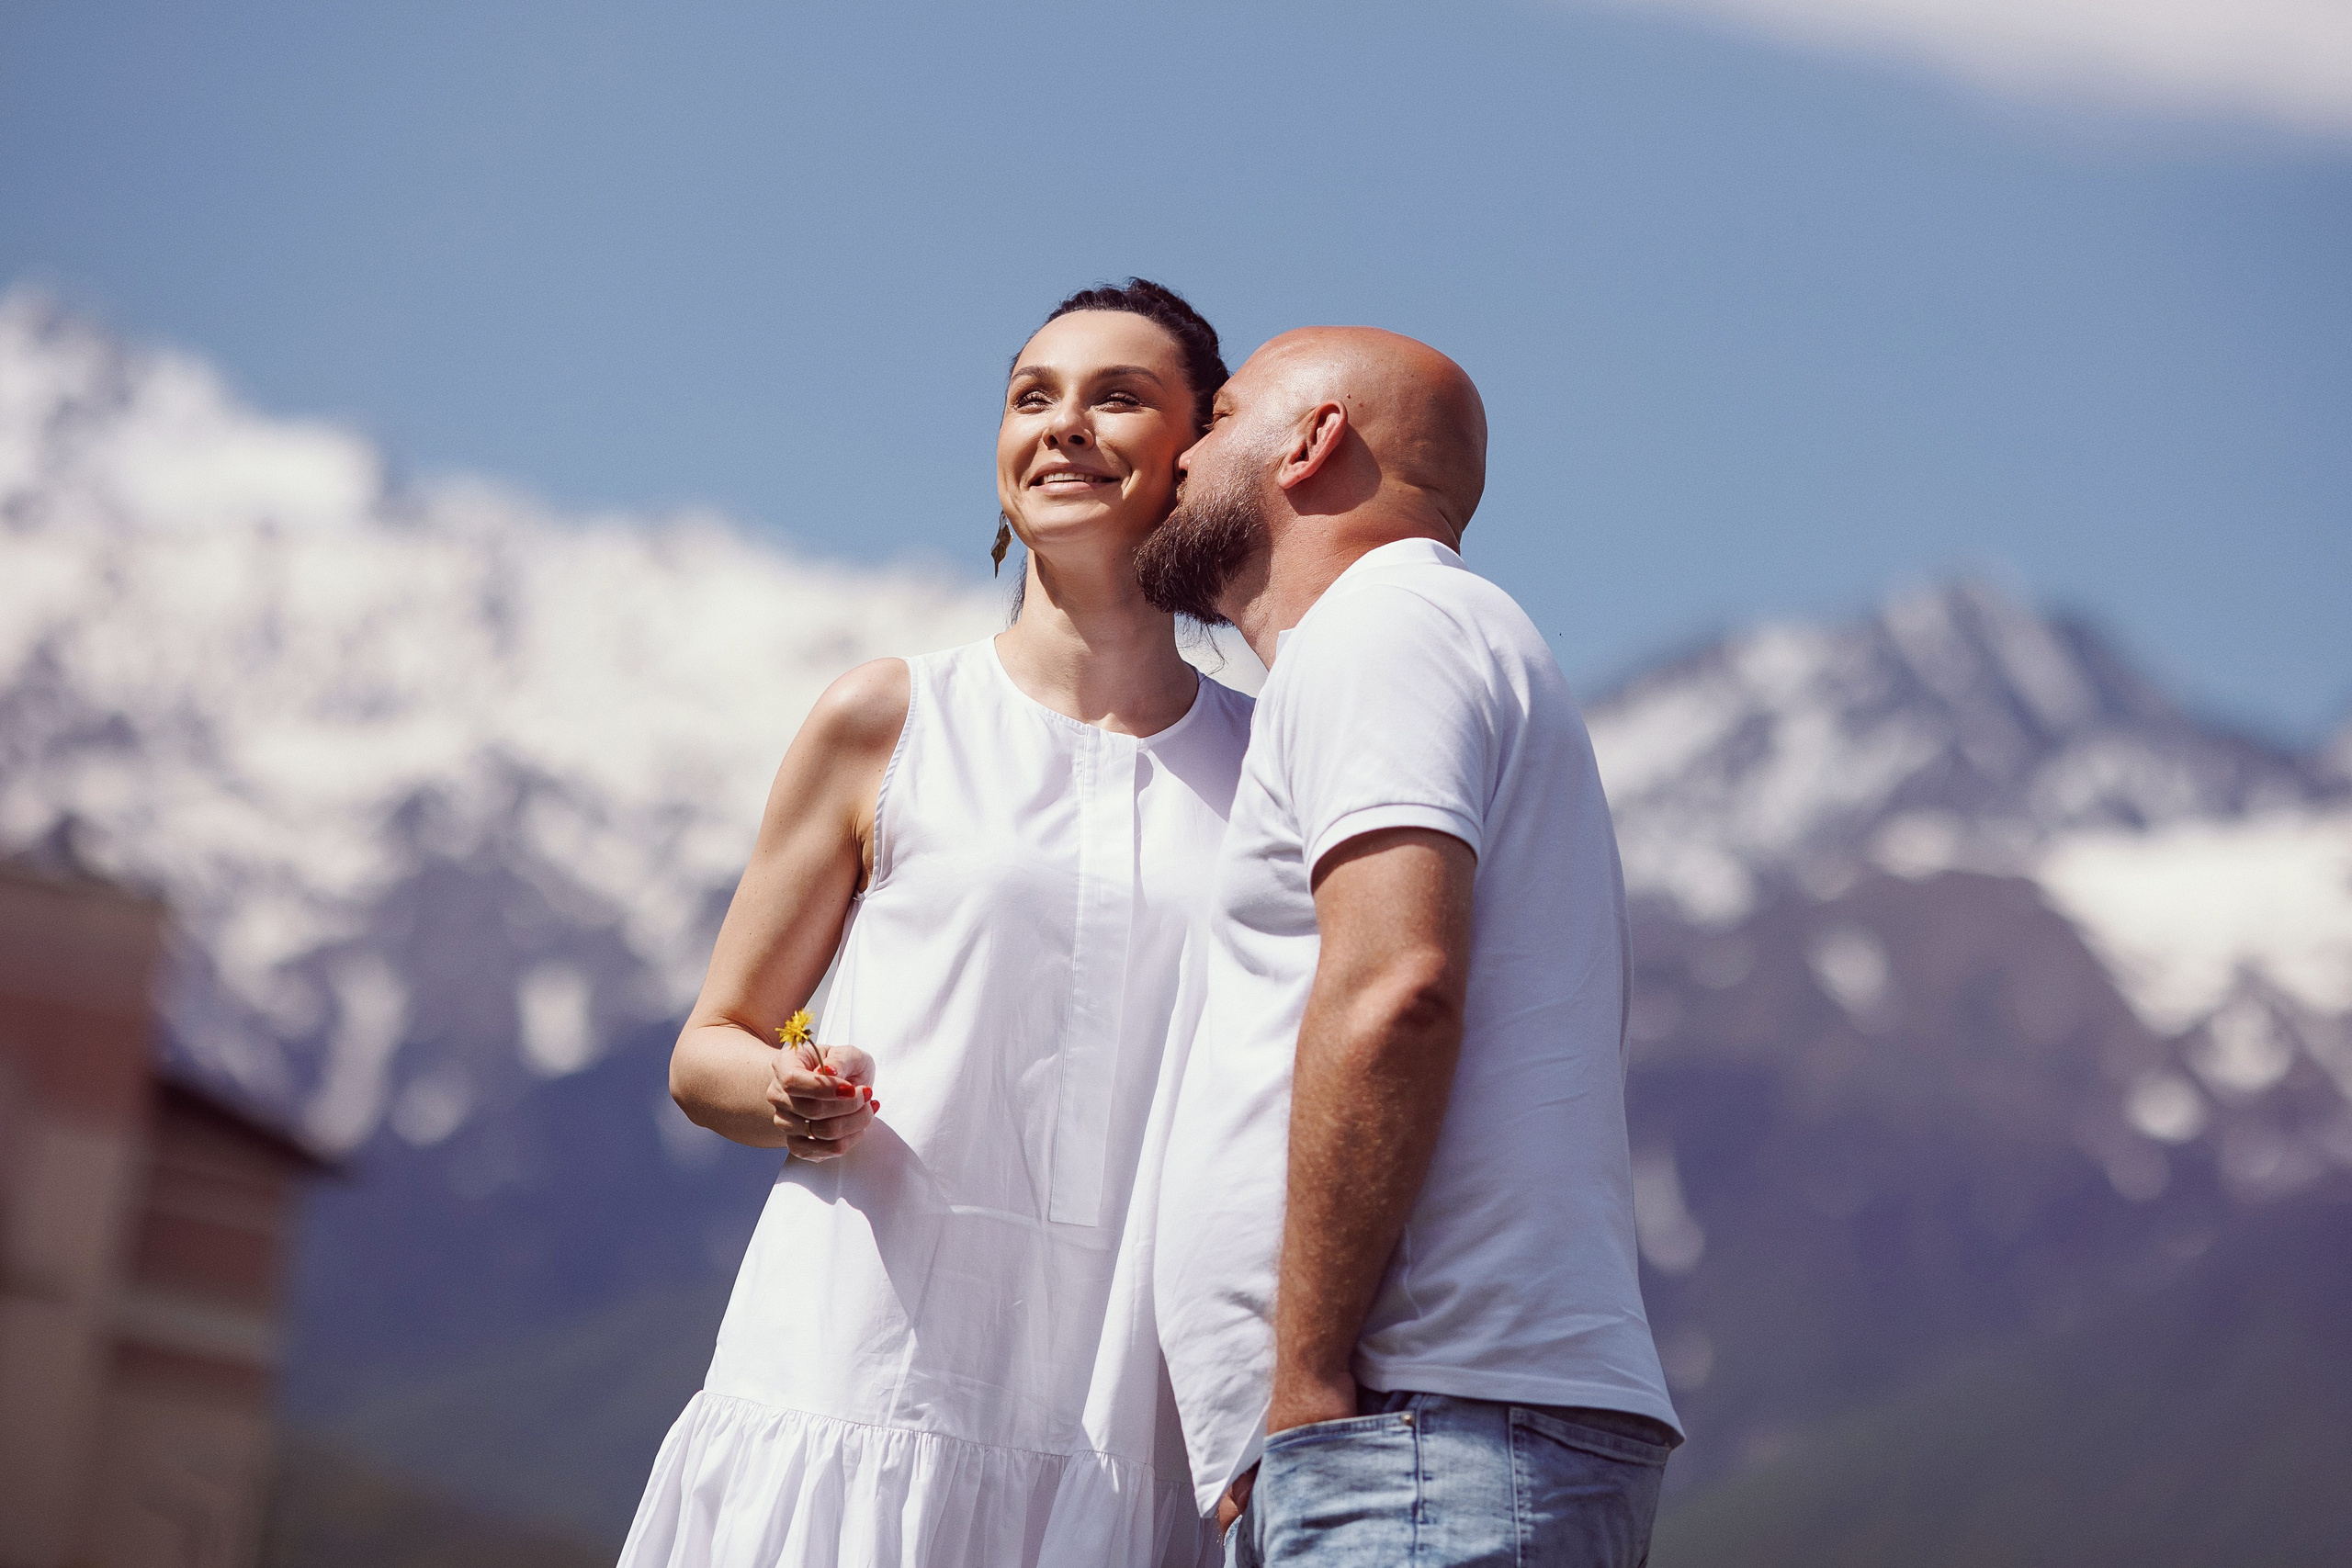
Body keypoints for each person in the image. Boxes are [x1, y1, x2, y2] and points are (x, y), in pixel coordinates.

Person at [618, 279, 1250, 1568]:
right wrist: (789, 1092)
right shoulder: (887, 717)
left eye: (1117, 398)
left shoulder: (1271, 763)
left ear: (1201, 454)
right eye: (1033, 398)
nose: (1063, 425)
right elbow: (709, 1050)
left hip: (1132, 1407)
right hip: (862, 1368)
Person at [1138, 328, 1682, 1565]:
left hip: (1416, 1438)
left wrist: (1309, 1373)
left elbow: (1397, 986)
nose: (1178, 457)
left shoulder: (1383, 628)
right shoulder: (1427, 635)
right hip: (1429, 1437)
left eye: (1216, 418)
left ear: (1312, 439)